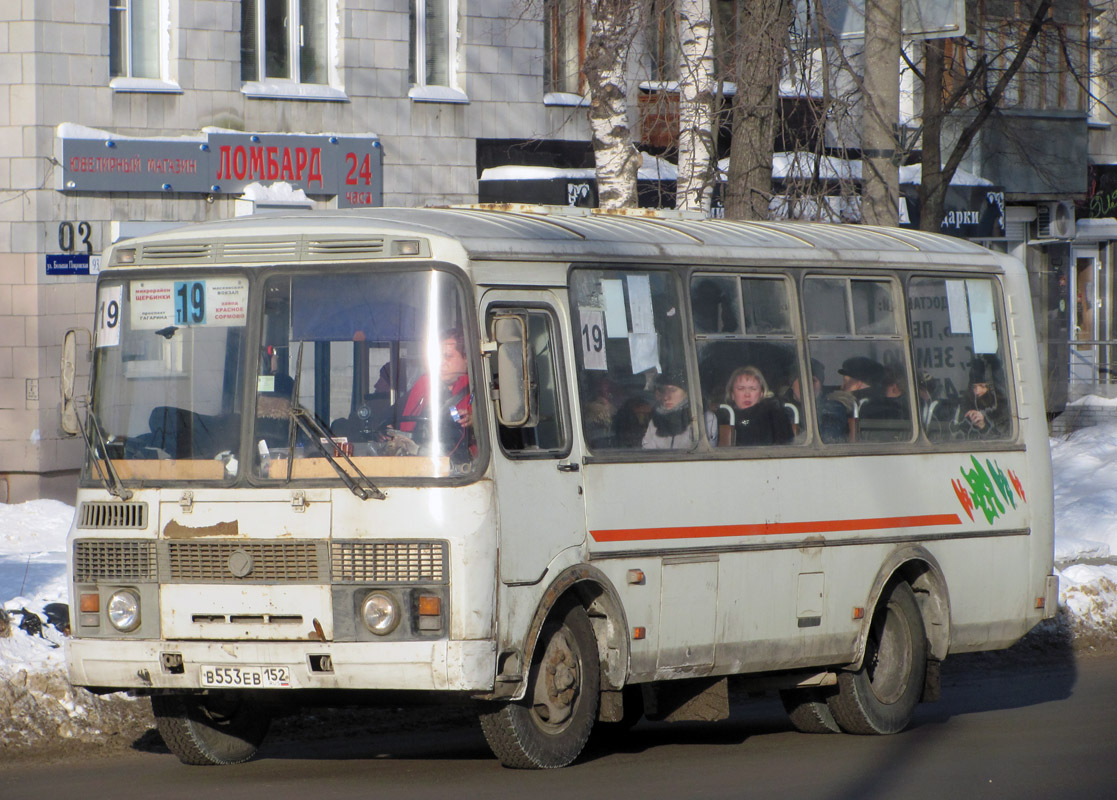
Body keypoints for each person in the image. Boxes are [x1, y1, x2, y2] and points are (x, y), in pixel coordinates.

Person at [398, 329, 474, 462]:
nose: (441, 363)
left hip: (463, 468)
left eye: (448, 356)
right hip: (415, 462)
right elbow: (393, 416)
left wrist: (476, 422)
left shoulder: (482, 390)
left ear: (466, 358)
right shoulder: (424, 385)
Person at [717, 366, 793, 446]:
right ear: (732, 394)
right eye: (741, 388)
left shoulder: (774, 417)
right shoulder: (721, 419)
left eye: (753, 389)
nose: (747, 394)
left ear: (762, 393)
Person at [817, 355, 886, 442]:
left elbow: (828, 440)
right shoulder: (892, 407)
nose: (842, 386)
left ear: (857, 384)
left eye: (845, 381)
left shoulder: (839, 405)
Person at [642, 371, 715, 449]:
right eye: (663, 391)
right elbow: (648, 451)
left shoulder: (705, 418)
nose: (666, 397)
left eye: (673, 390)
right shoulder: (655, 420)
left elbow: (705, 453)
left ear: (686, 392)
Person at [958, 354, 1009, 437]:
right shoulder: (966, 406)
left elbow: (1001, 441)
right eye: (974, 387)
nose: (977, 392)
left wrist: (983, 426)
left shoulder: (1003, 409)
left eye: (982, 386)